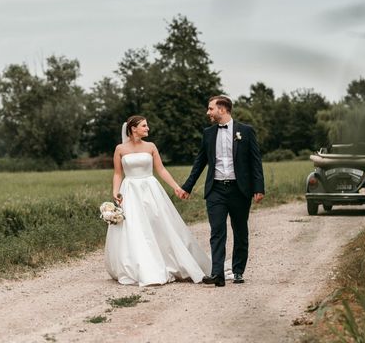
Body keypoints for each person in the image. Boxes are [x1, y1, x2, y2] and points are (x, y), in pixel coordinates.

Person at [104, 115, 211, 286]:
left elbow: (161, 170)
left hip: (150, 189)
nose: (148, 128)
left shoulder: (151, 146)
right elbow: (118, 173)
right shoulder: (120, 149)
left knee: (158, 223)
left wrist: (176, 187)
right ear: (133, 128)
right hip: (130, 190)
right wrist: (115, 192)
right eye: (144, 126)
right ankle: (140, 265)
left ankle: (168, 260)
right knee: (135, 227)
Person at [180, 95, 265, 287]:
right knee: (217, 231)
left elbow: (255, 161)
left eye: (210, 109)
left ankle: (237, 271)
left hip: (239, 190)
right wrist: (187, 186)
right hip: (216, 189)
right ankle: (217, 273)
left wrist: (258, 187)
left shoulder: (246, 131)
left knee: (240, 231)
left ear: (223, 109)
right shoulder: (208, 133)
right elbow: (200, 161)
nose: (207, 112)